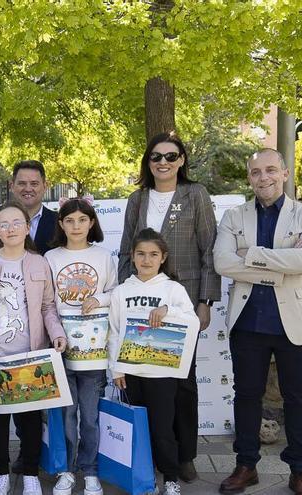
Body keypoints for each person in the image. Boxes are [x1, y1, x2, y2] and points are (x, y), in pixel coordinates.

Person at [214, 149, 302, 495]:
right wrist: (278, 269)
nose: (263, 177)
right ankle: (246, 465)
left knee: (299, 398)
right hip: (249, 322)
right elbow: (223, 263)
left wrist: (254, 255)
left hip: (297, 321)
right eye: (256, 172)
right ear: (249, 177)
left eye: (270, 170)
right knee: (247, 396)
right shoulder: (234, 216)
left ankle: (299, 470)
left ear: (285, 173)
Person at [117, 132, 219, 482]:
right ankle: (150, 454)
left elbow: (209, 251)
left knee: (183, 382)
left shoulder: (196, 195)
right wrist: (123, 299)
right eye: (156, 157)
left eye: (170, 156)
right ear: (148, 162)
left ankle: (184, 454)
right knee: (143, 382)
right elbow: (124, 251)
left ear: (181, 160)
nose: (163, 162)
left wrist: (205, 302)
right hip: (139, 305)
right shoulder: (137, 198)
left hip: (182, 304)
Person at [0, 201, 67, 495]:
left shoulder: (39, 263)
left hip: (31, 357)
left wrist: (57, 333)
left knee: (31, 421)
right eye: (4, 224)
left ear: (27, 227)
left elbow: (48, 306)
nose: (11, 229)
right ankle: (0, 473)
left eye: (17, 223)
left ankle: (30, 475)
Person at [110, 228, 200, 495]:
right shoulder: (121, 291)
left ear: (163, 257)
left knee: (163, 428)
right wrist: (116, 368)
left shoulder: (173, 289)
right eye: (140, 254)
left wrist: (167, 311)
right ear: (132, 256)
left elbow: (193, 321)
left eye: (153, 254)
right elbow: (114, 332)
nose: (146, 260)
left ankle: (170, 479)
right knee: (139, 428)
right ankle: (145, 478)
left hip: (162, 373)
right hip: (131, 372)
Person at [44, 198, 117, 495]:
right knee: (66, 416)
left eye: (82, 220)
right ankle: (66, 469)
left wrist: (97, 299)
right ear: (61, 224)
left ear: (92, 223)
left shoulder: (103, 256)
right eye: (70, 220)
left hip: (94, 351)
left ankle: (89, 470)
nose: (76, 226)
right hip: (60, 348)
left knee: (89, 416)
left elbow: (115, 293)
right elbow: (47, 302)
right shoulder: (50, 257)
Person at [0, 161, 57, 256]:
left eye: (34, 184)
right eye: (22, 183)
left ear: (45, 186)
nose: (28, 189)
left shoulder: (58, 222)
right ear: (12, 186)